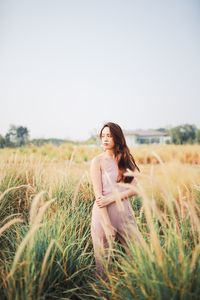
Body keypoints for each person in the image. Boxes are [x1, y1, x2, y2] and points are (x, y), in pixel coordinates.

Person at [90, 122, 141, 278]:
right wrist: (107, 224)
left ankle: (136, 286)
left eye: (109, 136)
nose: (105, 139)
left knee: (138, 253)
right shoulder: (97, 161)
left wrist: (112, 197)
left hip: (124, 213)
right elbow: (99, 197)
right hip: (102, 215)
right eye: (103, 136)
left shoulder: (125, 160)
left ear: (117, 138)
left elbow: (135, 189)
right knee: (103, 263)